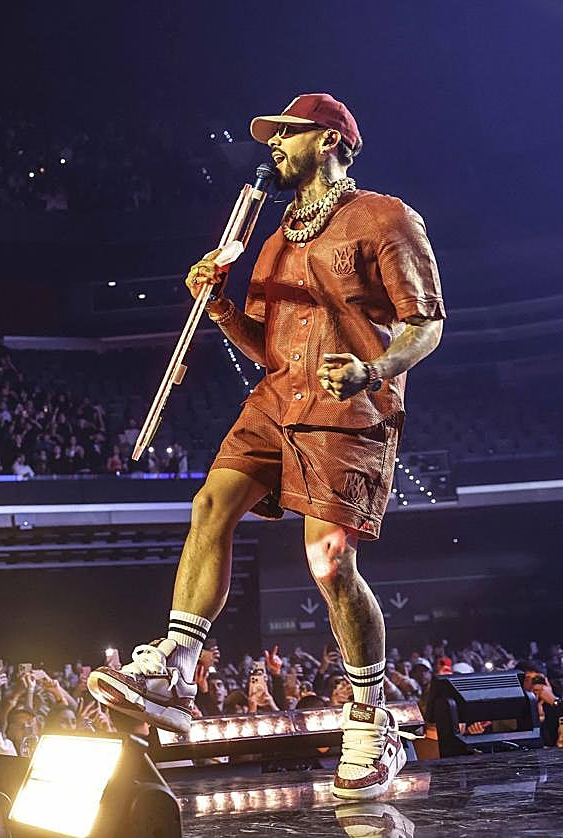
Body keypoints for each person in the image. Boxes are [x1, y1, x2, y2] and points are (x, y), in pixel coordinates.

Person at [89, 92, 445, 800]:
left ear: (330, 140)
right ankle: (177, 666)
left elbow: (425, 323)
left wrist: (372, 370)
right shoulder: (274, 239)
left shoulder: (384, 217)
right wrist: (219, 305)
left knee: (329, 561)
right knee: (210, 502)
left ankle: (370, 719)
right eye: (272, 135)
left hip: (349, 404)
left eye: (288, 133)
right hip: (276, 396)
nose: (274, 144)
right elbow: (264, 346)